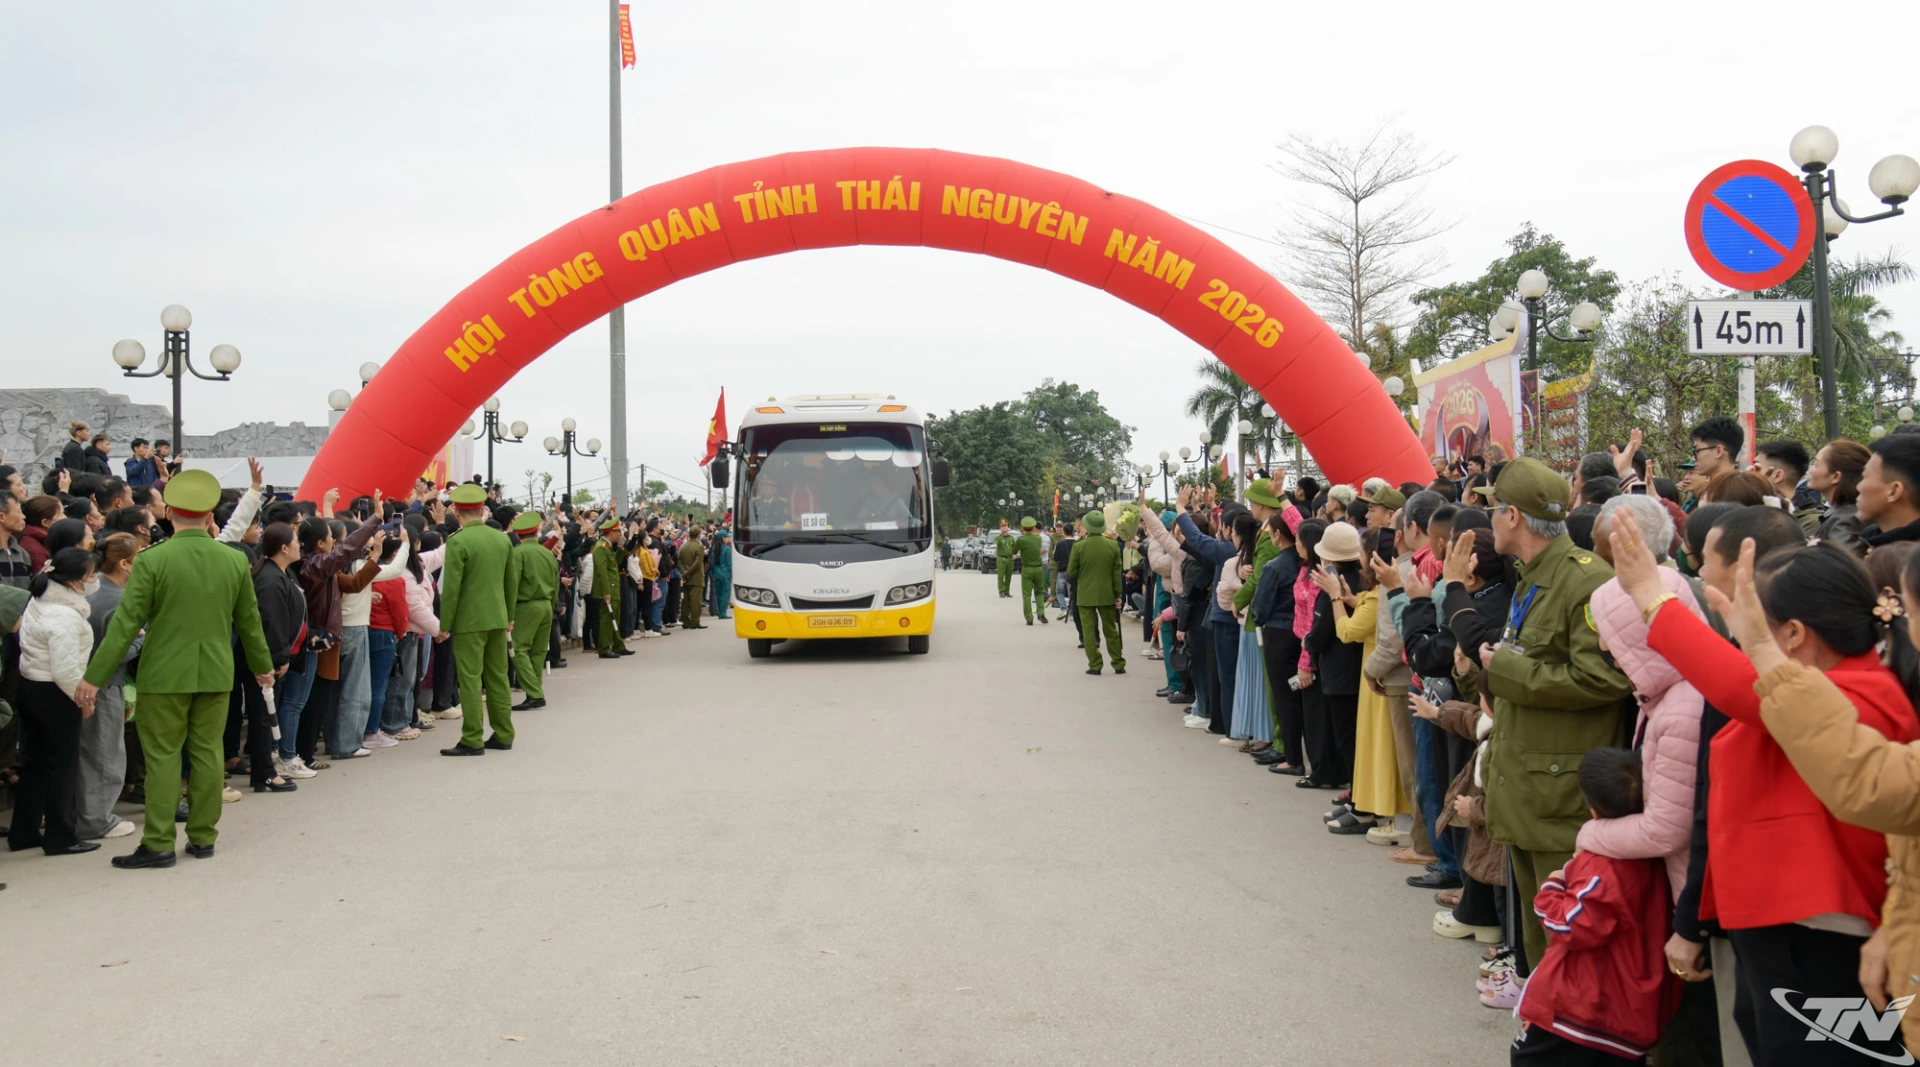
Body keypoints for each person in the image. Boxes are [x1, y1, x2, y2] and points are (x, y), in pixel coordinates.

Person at [1612, 514, 1915, 1064]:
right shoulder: (1839, 686)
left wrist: (1653, 599)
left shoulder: (1857, 695)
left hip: (1822, 938)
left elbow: (1737, 685)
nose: (1742, 637)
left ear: (1794, 634)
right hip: (1790, 930)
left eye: (1755, 623)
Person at [1475, 457, 1634, 977]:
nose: (1490, 519)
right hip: (1528, 783)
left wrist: (1507, 668)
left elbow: (1603, 680)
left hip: (1558, 793)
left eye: (1494, 508)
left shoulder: (1585, 581)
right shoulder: (1535, 575)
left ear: (1513, 517)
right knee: (1540, 940)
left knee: (1566, 946)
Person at [78, 470, 275, 868]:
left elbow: (125, 625)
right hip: (215, 672)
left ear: (169, 514)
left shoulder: (152, 560)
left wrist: (93, 678)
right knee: (208, 754)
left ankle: (158, 843)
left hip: (163, 674)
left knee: (163, 757)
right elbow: (250, 622)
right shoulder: (234, 560)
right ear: (209, 516)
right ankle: (203, 837)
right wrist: (262, 667)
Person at [1509, 748, 1682, 1065]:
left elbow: (1573, 924)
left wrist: (1551, 889)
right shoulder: (1659, 858)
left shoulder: (1603, 866)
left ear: (1592, 808)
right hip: (1631, 1011)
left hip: (1584, 1010)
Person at [8, 547, 103, 856]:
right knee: (61, 767)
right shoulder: (64, 616)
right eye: (91, 575)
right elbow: (65, 669)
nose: (95, 580)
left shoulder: (39, 600)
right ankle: (61, 836)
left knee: (33, 764)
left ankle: (24, 832)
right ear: (74, 582)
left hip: (31, 686)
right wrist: (83, 699)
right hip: (56, 693)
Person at [437, 482, 521, 756]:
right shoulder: (501, 539)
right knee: (497, 677)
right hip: (498, 617)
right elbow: (511, 582)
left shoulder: (457, 541)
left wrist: (445, 624)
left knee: (471, 679)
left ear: (457, 512)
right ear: (482, 509)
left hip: (469, 621)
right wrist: (509, 616)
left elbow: (451, 589)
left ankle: (473, 737)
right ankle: (504, 733)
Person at [76, 534, 141, 840]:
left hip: (86, 681)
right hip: (104, 684)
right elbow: (120, 651)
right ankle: (97, 819)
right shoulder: (116, 599)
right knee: (105, 754)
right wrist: (142, 639)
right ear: (124, 563)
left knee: (93, 753)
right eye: (138, 557)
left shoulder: (93, 589)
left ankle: (90, 815)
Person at [508, 511, 558, 711]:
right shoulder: (548, 553)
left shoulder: (517, 553)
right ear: (537, 532)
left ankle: (535, 693)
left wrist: (509, 613)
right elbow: (555, 583)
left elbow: (513, 584)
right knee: (538, 651)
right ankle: (534, 692)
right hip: (546, 604)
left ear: (517, 534)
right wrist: (551, 606)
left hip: (526, 605)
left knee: (518, 649)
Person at [1067, 509, 1124, 676]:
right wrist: (1117, 594)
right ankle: (1118, 663)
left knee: (1089, 631)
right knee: (1111, 629)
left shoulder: (1079, 546)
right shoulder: (1112, 545)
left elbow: (1071, 571)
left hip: (1085, 594)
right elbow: (1116, 573)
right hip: (1107, 593)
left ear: (1086, 526)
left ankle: (1095, 665)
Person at [1858, 432, 1920, 551]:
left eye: (1865, 477)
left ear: (1893, 491)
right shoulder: (1866, 543)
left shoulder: (1910, 560)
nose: (1858, 487)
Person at [1809, 438, 1870, 554]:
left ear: (1835, 476)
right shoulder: (1846, 514)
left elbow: (1842, 562)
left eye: (1816, 464)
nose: (1811, 470)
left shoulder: (1844, 521)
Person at [589, 517, 629, 658]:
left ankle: (618, 646)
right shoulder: (601, 548)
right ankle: (604, 648)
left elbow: (614, 564)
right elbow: (602, 572)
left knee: (615, 618)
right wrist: (606, 591)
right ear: (611, 532)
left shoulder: (608, 547)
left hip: (614, 587)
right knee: (607, 619)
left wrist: (621, 550)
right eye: (618, 532)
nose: (620, 535)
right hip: (608, 589)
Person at [1015, 516, 1047, 625]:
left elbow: (1014, 551)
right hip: (1038, 568)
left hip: (1027, 569)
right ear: (1033, 527)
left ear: (1022, 528)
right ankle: (1041, 612)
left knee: (1027, 594)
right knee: (1039, 592)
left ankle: (1029, 618)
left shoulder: (1021, 540)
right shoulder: (1038, 539)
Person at [678, 525, 708, 630]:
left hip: (685, 577)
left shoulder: (684, 546)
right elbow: (697, 563)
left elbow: (679, 561)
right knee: (696, 601)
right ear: (698, 535)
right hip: (696, 577)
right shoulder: (699, 546)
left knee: (685, 601)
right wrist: (688, 573)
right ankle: (695, 621)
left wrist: (684, 573)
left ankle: (685, 621)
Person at [709, 528, 732, 620]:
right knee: (725, 595)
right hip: (725, 574)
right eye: (727, 537)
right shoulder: (728, 549)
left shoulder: (714, 549)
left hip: (716, 574)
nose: (728, 539)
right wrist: (731, 574)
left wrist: (713, 573)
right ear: (723, 538)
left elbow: (712, 563)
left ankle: (720, 612)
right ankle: (723, 613)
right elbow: (729, 564)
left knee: (718, 594)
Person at [994, 520, 1016, 598]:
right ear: (1000, 528)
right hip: (1002, 559)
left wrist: (1014, 554)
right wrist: (995, 546)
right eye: (1002, 526)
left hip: (1010, 559)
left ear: (1008, 527)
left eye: (1005, 526)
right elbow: (995, 543)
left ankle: (1007, 591)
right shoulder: (998, 537)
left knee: (1008, 576)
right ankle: (1001, 591)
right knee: (1001, 576)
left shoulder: (1011, 538)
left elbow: (1014, 547)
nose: (1004, 527)